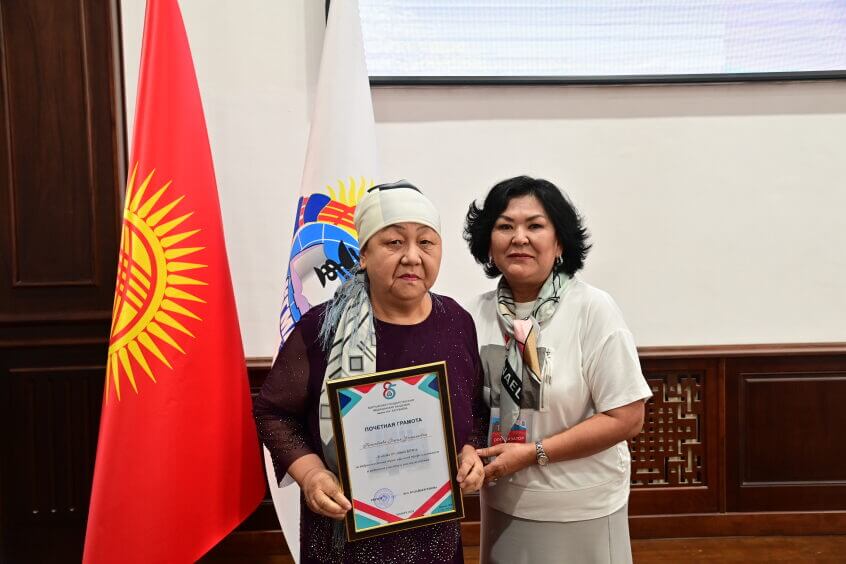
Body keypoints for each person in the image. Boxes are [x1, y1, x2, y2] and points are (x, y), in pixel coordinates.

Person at [255, 180, 489, 564]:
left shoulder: (457, 323)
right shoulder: (323, 328)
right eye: (394, 242)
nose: (412, 256)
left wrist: (470, 453)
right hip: (344, 536)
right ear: (363, 254)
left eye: (426, 242)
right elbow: (273, 412)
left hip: (433, 535)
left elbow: (475, 409)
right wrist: (311, 474)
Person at [464, 176, 652, 564]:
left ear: (560, 242)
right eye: (505, 226)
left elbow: (628, 417)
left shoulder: (593, 309)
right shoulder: (474, 315)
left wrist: (534, 453)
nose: (519, 238)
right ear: (488, 242)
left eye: (535, 225)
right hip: (503, 500)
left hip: (582, 504)